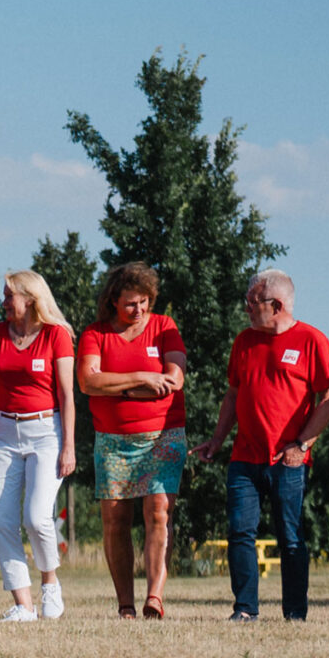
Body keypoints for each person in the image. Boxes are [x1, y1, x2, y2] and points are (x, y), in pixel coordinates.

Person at [193, 269, 329, 623]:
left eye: (252, 301)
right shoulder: (244, 341)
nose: (246, 308)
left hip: (288, 460)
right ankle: (245, 609)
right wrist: (218, 439)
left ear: (276, 305)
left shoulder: (312, 340)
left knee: (290, 537)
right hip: (244, 457)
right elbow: (233, 394)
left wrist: (302, 445)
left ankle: (295, 614)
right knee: (239, 532)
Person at [76, 263, 188, 619]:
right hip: (112, 439)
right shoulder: (95, 334)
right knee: (115, 520)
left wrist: (116, 387)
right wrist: (141, 378)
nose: (138, 310)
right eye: (129, 303)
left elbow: (174, 380)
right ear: (113, 301)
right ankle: (125, 603)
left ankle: (154, 597)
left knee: (158, 513)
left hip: (163, 436)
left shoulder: (165, 327)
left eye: (143, 302)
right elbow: (88, 382)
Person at [0, 270, 76, 622]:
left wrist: (69, 446)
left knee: (36, 517)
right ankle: (23, 605)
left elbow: (67, 395)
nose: (4, 302)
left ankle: (50, 582)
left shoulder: (56, 335)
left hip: (46, 431)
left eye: (10, 296)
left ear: (31, 299)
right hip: (1, 432)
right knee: (2, 520)